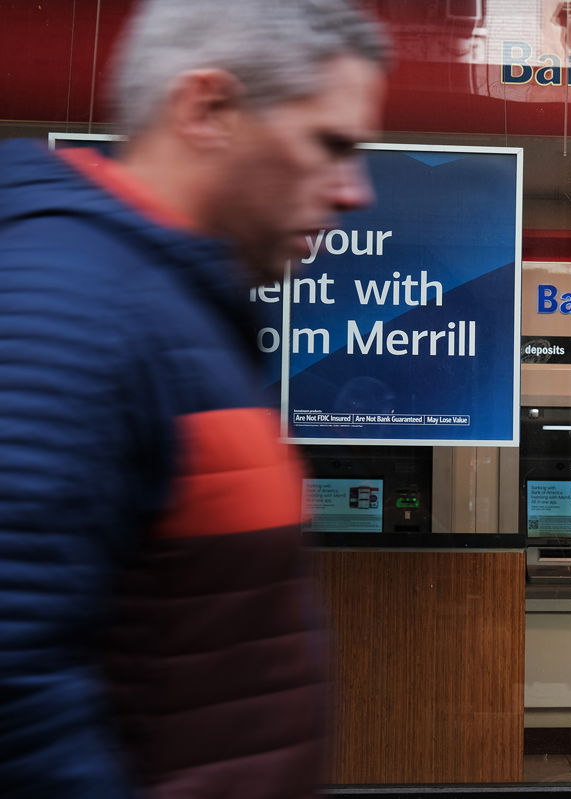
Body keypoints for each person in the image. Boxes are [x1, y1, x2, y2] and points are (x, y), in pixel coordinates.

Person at [0, 1, 388, 796]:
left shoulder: (177, 308)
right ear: (207, 108)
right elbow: (17, 685)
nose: (355, 192)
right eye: (331, 144)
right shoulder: (66, 306)